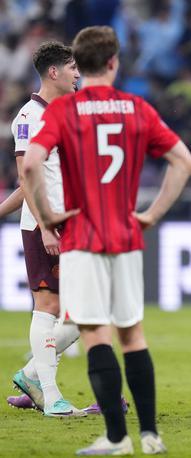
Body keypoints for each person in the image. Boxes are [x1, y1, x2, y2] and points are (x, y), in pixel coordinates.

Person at [23, 26, 191, 454]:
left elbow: (30, 167)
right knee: (133, 335)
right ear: (115, 62)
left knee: (96, 335)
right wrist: (153, 214)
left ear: (82, 62)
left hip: (82, 237)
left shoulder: (64, 111)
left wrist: (46, 217)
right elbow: (184, 160)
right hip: (126, 234)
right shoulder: (137, 108)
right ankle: (151, 434)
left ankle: (117, 438)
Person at [1, 41, 84, 416]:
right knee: (48, 305)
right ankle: (50, 397)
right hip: (46, 225)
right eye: (72, 68)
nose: (78, 74)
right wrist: (46, 228)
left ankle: (32, 375)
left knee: (91, 311)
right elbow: (26, 174)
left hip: (71, 224)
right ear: (54, 72)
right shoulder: (30, 116)